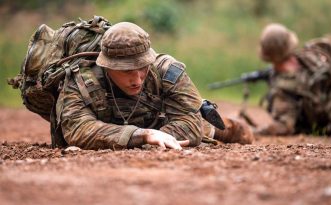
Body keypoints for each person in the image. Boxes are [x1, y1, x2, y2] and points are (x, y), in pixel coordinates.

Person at [54, 22, 253, 150]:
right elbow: (77, 129)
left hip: (166, 121)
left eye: (142, 68)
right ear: (106, 66)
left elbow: (190, 123)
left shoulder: (167, 71)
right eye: (126, 71)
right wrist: (142, 136)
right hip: (140, 130)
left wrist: (159, 136)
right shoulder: (81, 81)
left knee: (234, 131)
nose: (137, 79)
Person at [255, 23, 331, 137]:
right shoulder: (314, 51)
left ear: (267, 54)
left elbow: (285, 126)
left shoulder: (283, 88)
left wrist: (257, 131)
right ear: (289, 43)